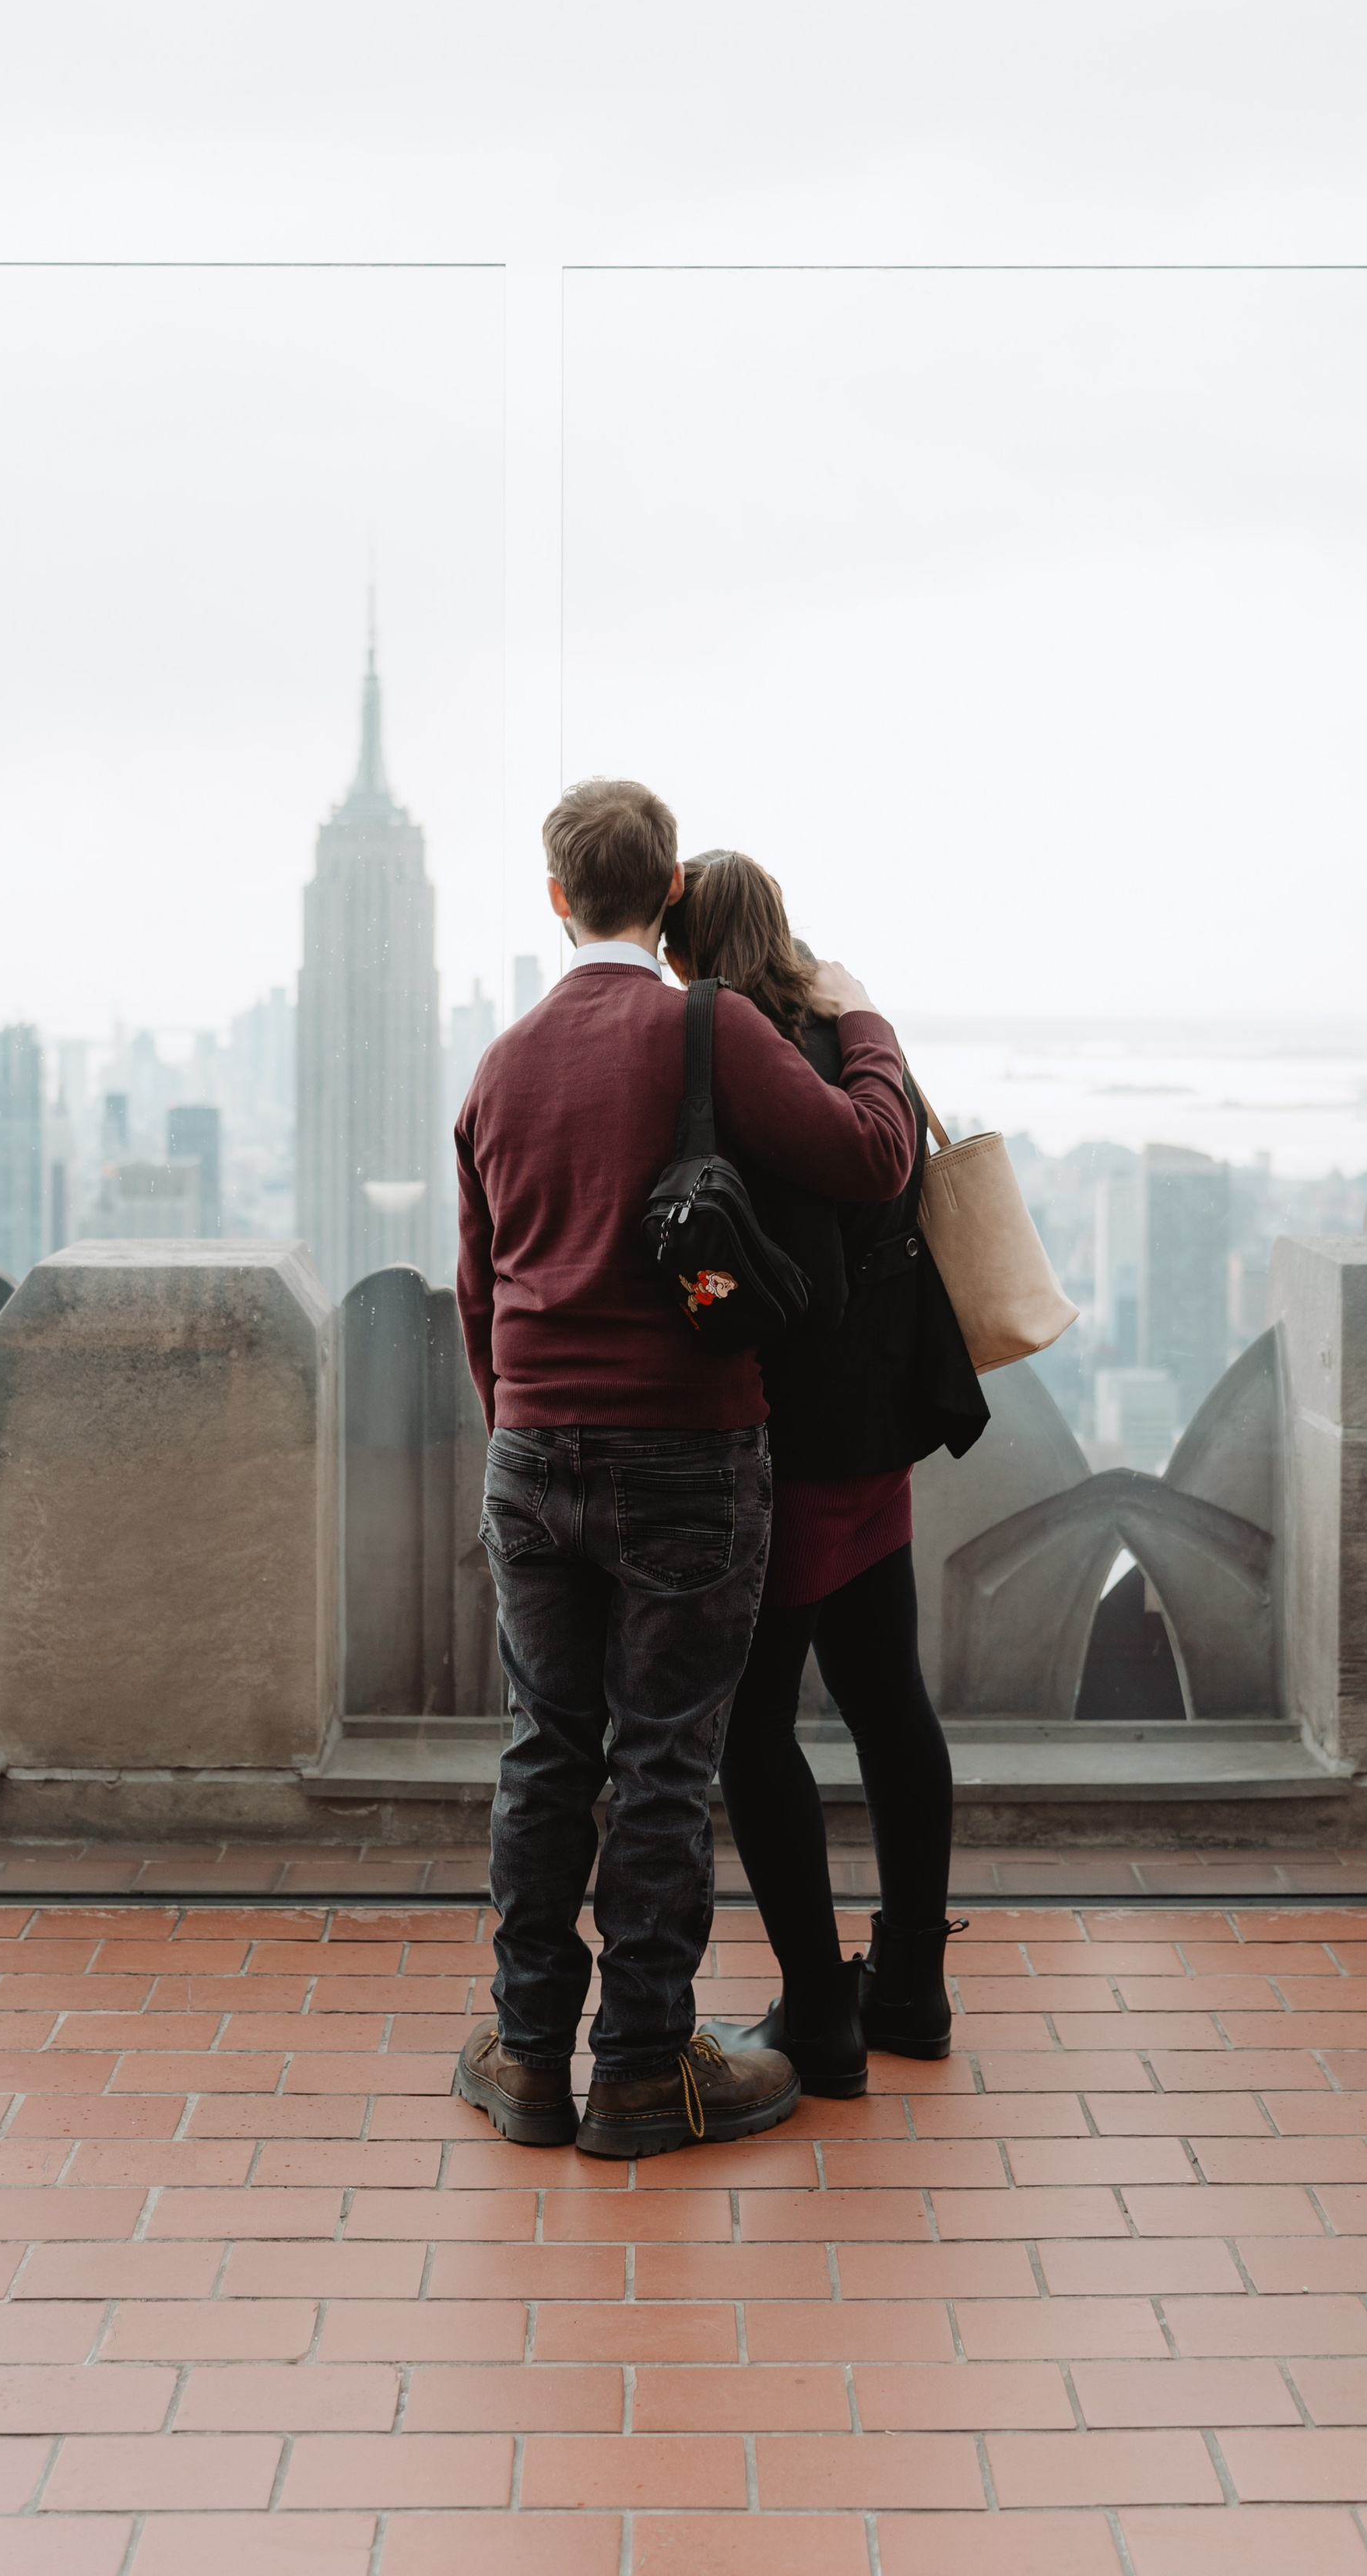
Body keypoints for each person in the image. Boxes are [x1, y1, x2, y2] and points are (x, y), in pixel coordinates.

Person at [451, 778, 919, 2157]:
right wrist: (867, 1022)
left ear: (555, 899)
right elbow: (873, 1155)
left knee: (547, 1752)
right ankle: (646, 2069)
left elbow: (478, 1296)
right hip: (689, 1456)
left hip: (532, 1453)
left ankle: (529, 2056)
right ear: (665, 897)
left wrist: (525, 1434)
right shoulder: (702, 1031)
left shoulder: (498, 1066)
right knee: (664, 1763)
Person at [659, 849, 989, 2094]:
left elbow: (824, 1234)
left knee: (754, 1729)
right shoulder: (840, 1040)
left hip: (784, 1446)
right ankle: (911, 1980)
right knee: (887, 1702)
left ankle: (819, 2013)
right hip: (875, 1441)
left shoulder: (744, 1059)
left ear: (693, 950)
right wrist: (866, 1018)